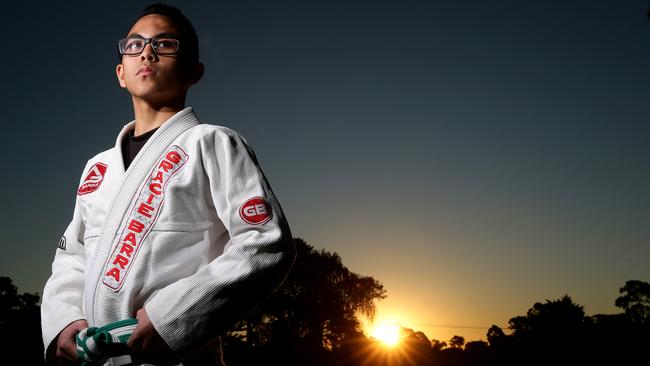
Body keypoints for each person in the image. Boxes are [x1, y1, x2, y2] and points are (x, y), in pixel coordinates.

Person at [40, 3, 296, 365]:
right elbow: (72, 258)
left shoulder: (212, 143)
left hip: (174, 354)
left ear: (194, 71)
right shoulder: (96, 168)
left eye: (164, 44)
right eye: (134, 45)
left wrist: (172, 317)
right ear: (120, 73)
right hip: (96, 356)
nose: (146, 51)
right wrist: (63, 321)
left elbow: (265, 244)